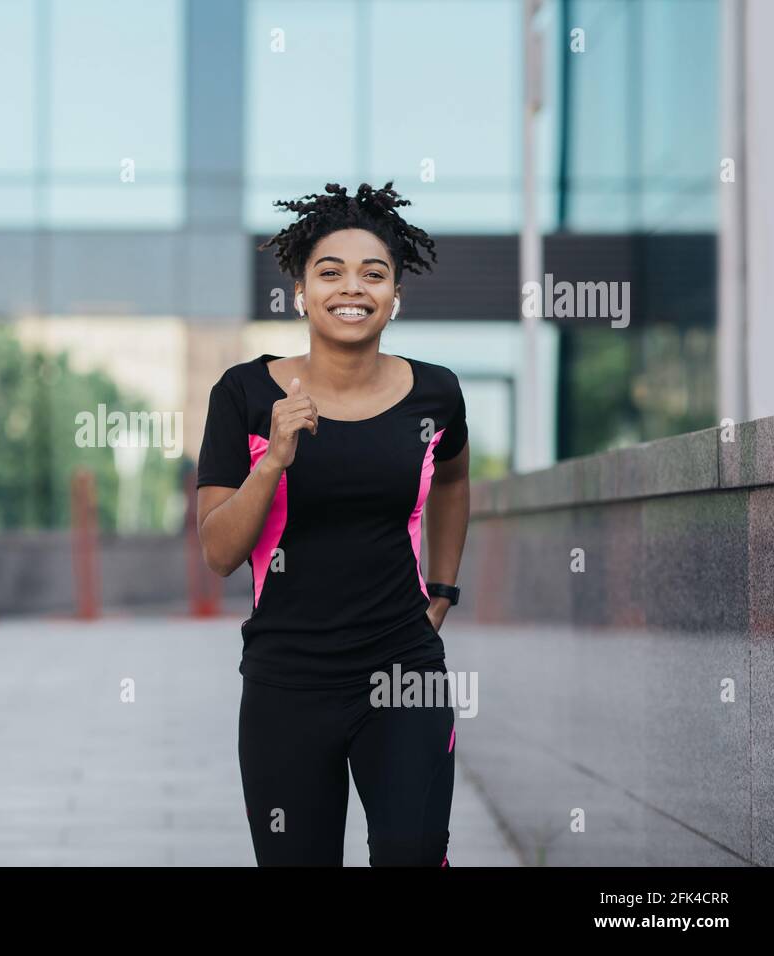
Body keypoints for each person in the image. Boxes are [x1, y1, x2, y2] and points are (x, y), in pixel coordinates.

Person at [195, 182, 470, 866]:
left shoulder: (436, 392)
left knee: (412, 852)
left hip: (403, 671)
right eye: (331, 272)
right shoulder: (246, 394)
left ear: (395, 297)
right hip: (287, 681)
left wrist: (443, 586)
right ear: (300, 293)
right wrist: (274, 461)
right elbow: (218, 552)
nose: (354, 288)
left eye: (374, 274)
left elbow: (457, 479)